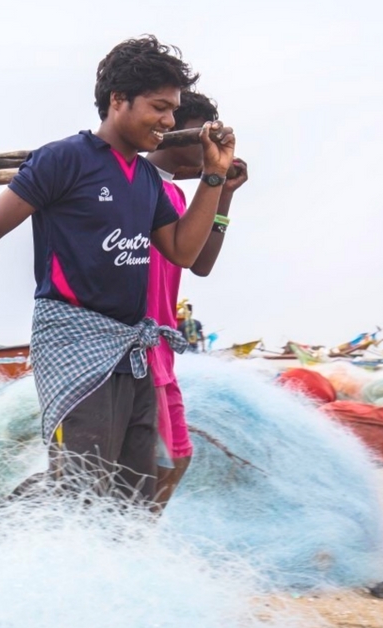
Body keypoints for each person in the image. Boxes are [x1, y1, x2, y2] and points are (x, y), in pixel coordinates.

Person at [0, 36, 236, 504]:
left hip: (133, 348)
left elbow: (185, 252)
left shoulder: (147, 180)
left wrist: (215, 176)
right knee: (80, 488)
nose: (169, 121)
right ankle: (9, 545)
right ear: (118, 100)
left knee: (132, 493)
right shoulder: (66, 159)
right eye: (159, 107)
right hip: (74, 343)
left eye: (173, 111)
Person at [143, 91, 250, 508]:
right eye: (204, 135)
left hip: (162, 349)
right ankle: (128, 541)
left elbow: (199, 263)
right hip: (136, 345)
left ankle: (138, 539)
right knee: (156, 461)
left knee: (178, 458)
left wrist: (223, 193)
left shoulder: (175, 195)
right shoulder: (139, 184)